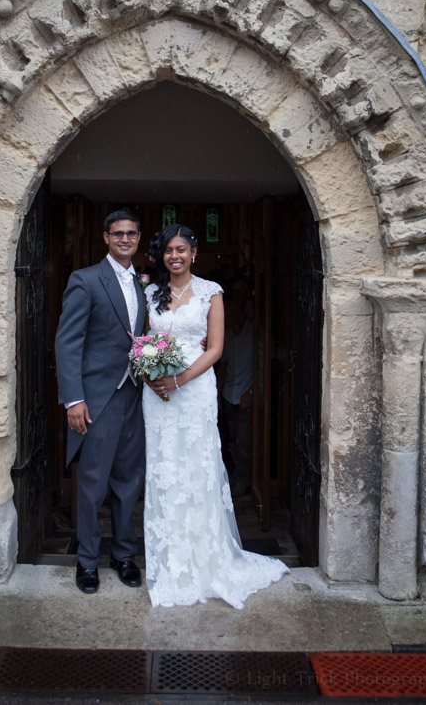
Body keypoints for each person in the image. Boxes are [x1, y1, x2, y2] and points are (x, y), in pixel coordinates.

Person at [142, 224, 289, 609]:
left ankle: (206, 557)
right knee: (163, 467)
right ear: (163, 256)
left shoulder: (211, 292)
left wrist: (179, 379)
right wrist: (149, 370)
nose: (175, 256)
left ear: (194, 254)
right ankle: (169, 555)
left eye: (182, 250)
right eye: (169, 250)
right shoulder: (151, 293)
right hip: (155, 393)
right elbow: (142, 341)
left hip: (194, 389)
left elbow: (217, 348)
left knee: (196, 466)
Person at [55, 210, 147, 595]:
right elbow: (68, 342)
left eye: (131, 234)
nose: (125, 239)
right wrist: (73, 399)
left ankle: (124, 555)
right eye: (117, 234)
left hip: (135, 395)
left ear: (138, 238)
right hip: (96, 398)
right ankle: (88, 561)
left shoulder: (144, 285)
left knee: (129, 481)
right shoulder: (86, 280)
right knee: (93, 483)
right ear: (106, 238)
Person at [217, 277, 255, 498]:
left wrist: (251, 393)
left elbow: (263, 367)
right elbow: (223, 366)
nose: (228, 321)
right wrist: (218, 393)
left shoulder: (255, 333)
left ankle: (243, 480)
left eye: (230, 316)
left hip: (245, 395)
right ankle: (233, 477)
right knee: (230, 439)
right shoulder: (228, 337)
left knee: (244, 441)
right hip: (229, 394)